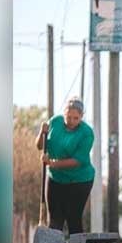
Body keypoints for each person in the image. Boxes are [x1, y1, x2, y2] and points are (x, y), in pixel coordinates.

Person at [35, 97, 96, 235]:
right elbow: (39, 146)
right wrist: (42, 133)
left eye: (76, 118)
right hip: (55, 179)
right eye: (68, 117)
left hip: (80, 180)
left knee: (73, 218)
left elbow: (76, 161)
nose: (71, 121)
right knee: (55, 219)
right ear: (64, 113)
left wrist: (51, 163)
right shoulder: (54, 122)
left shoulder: (87, 133)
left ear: (81, 116)